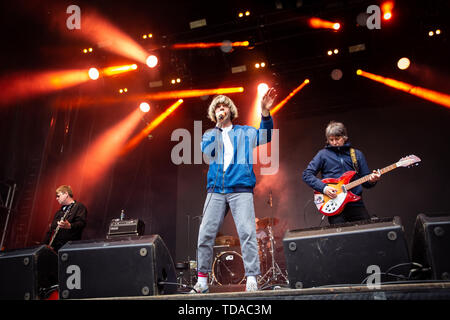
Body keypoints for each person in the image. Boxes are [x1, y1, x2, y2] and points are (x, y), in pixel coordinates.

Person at [191, 89, 277, 293]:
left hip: (240, 188)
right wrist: (218, 128)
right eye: (217, 107)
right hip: (216, 190)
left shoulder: (245, 131)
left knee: (247, 232)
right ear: (214, 113)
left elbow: (265, 137)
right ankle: (202, 281)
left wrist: (265, 113)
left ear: (230, 110)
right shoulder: (210, 134)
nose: (221, 109)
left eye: (224, 106)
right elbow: (207, 151)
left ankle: (252, 278)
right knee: (205, 233)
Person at [302, 121, 381, 225]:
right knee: (339, 238)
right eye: (331, 139)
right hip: (334, 203)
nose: (334, 142)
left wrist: (372, 180)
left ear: (344, 137)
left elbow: (366, 182)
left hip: (355, 203)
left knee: (366, 233)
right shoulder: (322, 155)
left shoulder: (357, 154)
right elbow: (307, 175)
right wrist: (324, 188)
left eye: (337, 139)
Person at [43, 185, 87, 252]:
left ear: (66, 194)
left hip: (68, 248)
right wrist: (45, 245)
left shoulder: (79, 206)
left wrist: (70, 226)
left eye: (58, 196)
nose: (56, 198)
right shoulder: (59, 212)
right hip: (53, 248)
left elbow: (81, 223)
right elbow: (50, 230)